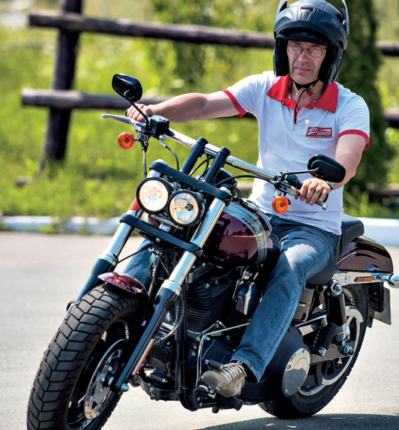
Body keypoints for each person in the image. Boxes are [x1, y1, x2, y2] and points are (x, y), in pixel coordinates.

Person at [123, 0, 369, 398]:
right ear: (282, 48)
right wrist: (156, 111)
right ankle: (115, 305)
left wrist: (327, 180)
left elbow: (349, 156)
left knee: (290, 265)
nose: (302, 57)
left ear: (331, 56)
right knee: (176, 226)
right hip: (261, 213)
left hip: (313, 227)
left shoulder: (350, 105)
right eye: (295, 46)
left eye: (314, 49)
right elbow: (205, 103)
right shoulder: (264, 87)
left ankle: (243, 365)